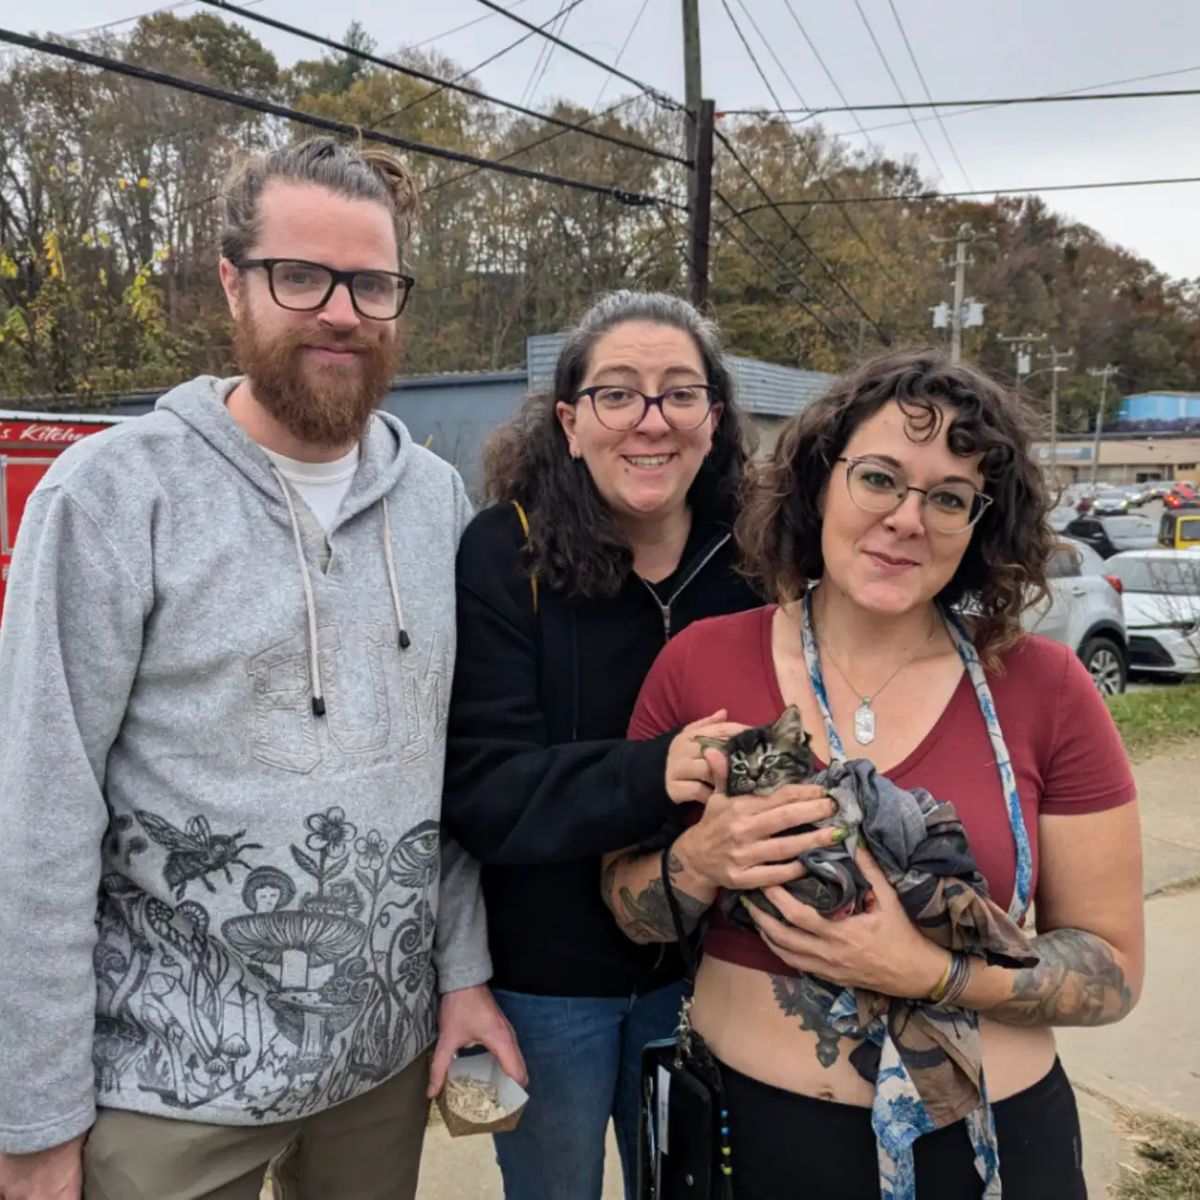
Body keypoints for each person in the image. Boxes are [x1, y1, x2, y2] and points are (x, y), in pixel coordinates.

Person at [0, 136, 523, 1200]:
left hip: (377, 1070)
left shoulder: (433, 502)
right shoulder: (110, 496)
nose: (342, 310)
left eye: (372, 283)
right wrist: (33, 1117)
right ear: (234, 283)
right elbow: (38, 816)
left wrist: (463, 972)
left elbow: (443, 769)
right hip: (163, 1084)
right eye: (302, 276)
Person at [606, 348, 1143, 1199]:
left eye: (948, 497)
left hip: (988, 1153)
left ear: (979, 524)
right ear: (821, 480)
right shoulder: (699, 664)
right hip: (748, 1146)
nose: (907, 519)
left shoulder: (1044, 688)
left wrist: (931, 974)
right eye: (881, 479)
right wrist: (700, 863)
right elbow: (628, 908)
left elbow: (1111, 971)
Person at [442, 291, 767, 1199]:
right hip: (550, 986)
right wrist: (653, 770)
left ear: (714, 419)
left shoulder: (759, 561)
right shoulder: (507, 557)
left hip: (719, 970)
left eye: (679, 394)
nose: (649, 421)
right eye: (618, 394)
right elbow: (485, 790)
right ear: (570, 422)